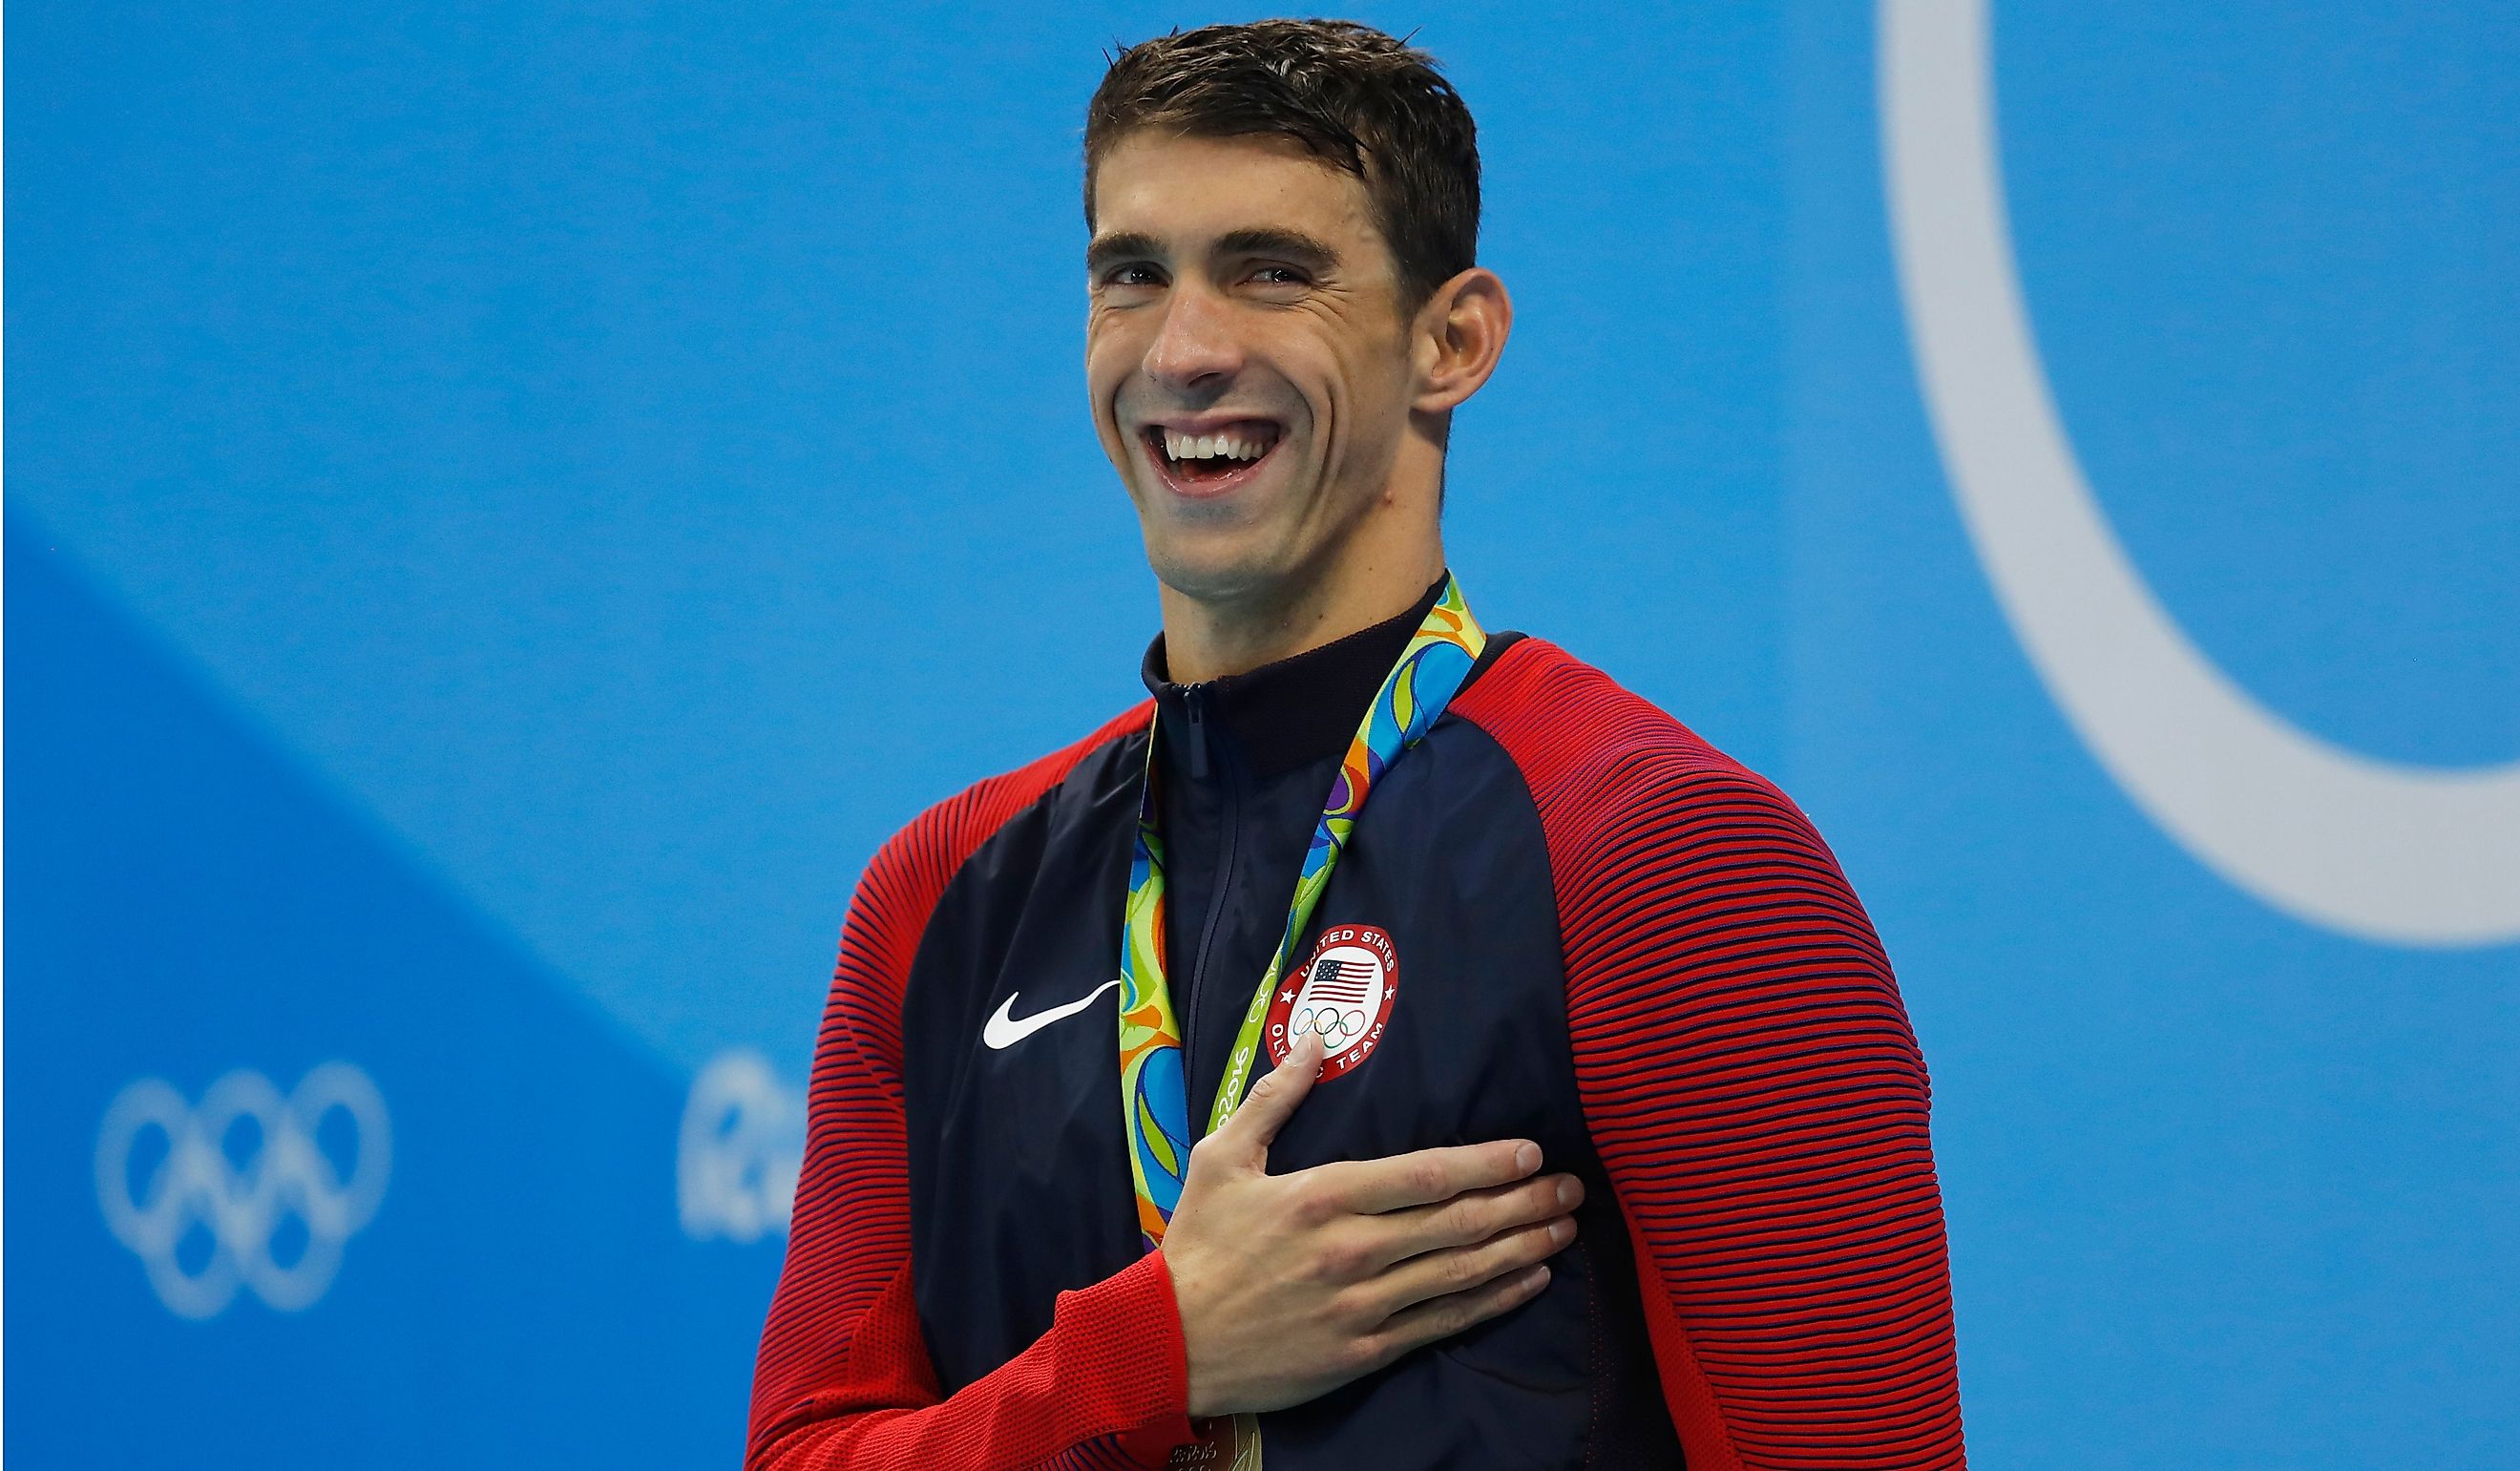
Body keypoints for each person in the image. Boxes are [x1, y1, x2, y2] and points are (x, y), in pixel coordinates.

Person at [747, 19, 1964, 1470]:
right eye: (1132, 275)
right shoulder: (941, 897)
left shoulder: (1662, 860)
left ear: (1452, 343)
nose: (1185, 350)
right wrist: (1160, 1353)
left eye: (1273, 271)